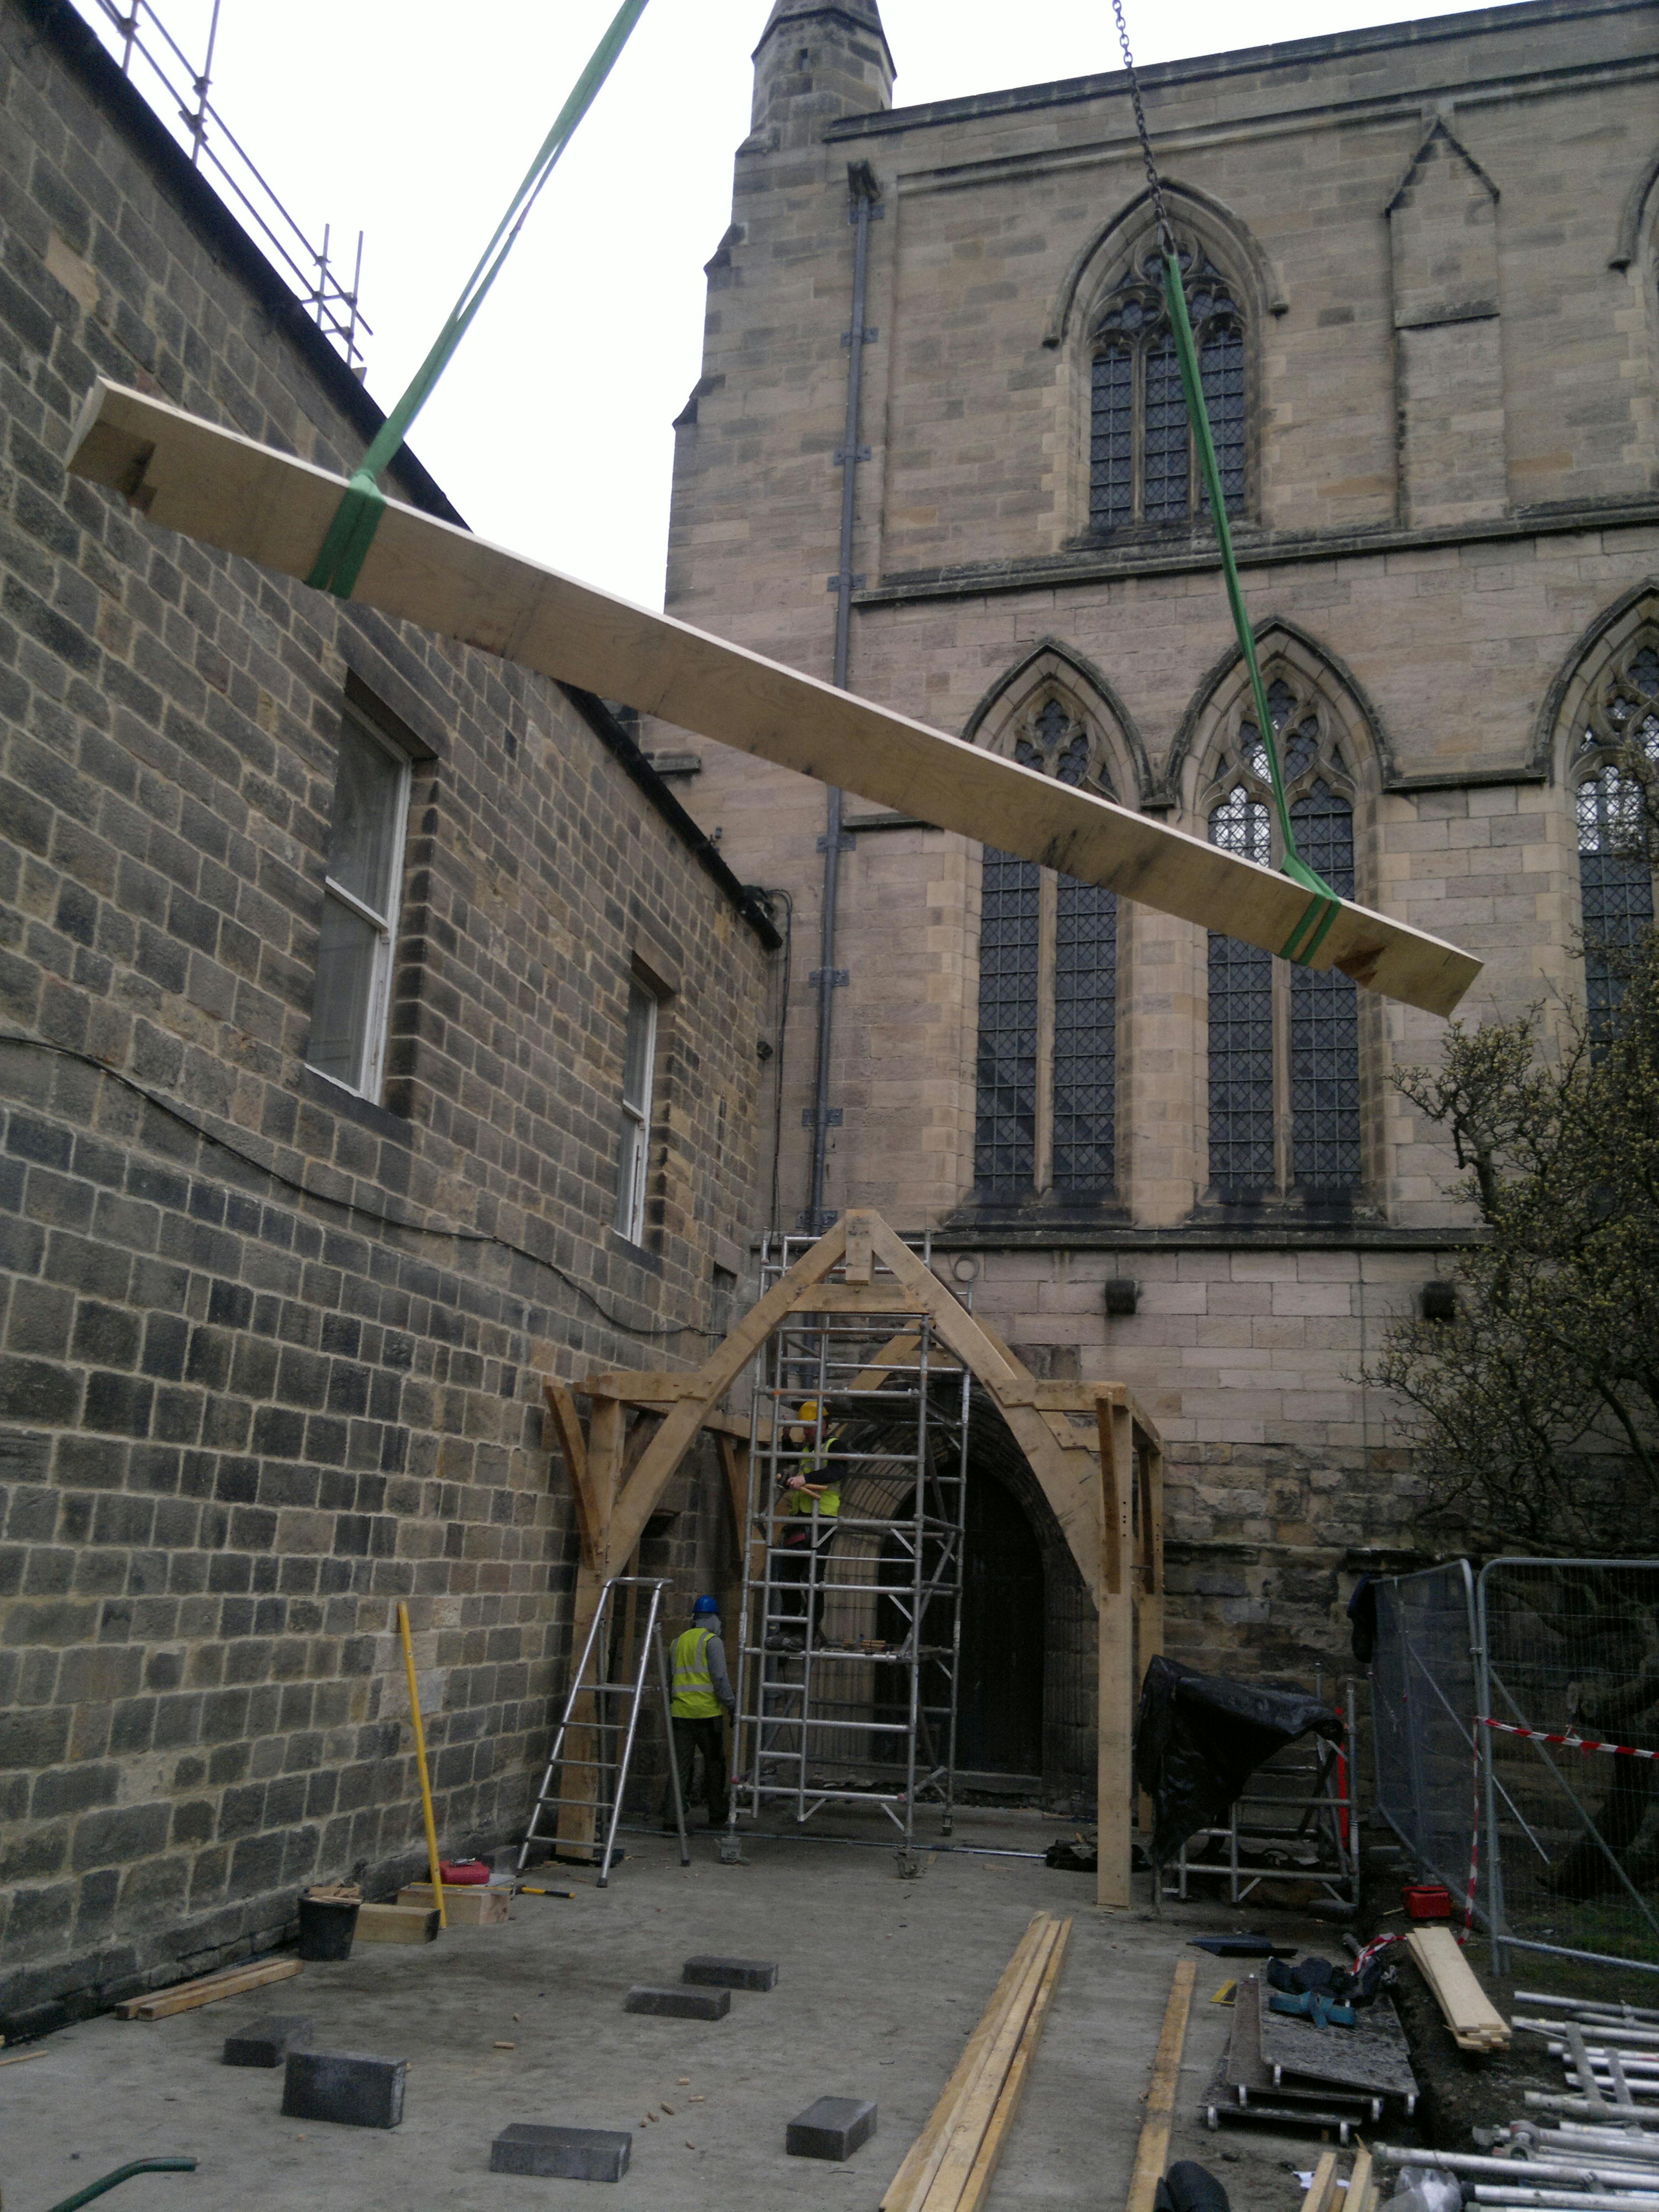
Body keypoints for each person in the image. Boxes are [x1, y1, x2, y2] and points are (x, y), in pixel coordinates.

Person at [771, 1397, 841, 1649]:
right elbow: (793, 1458)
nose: (807, 1432)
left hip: (822, 1520)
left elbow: (837, 1471)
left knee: (811, 1577)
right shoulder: (807, 1451)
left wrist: (806, 1478)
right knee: (788, 1575)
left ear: (824, 1425)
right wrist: (786, 1436)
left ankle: (808, 1632)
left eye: (810, 1427)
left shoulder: (835, 1445)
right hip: (801, 1519)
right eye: (804, 1428)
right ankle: (789, 1629)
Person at [663, 1594, 734, 1829]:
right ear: (713, 1619)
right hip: (706, 1715)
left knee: (679, 1768)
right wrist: (732, 1705)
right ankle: (717, 1816)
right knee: (715, 1765)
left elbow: (669, 1680)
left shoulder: (677, 1642)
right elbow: (720, 1677)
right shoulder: (711, 1642)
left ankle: (673, 1821)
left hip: (680, 1715)